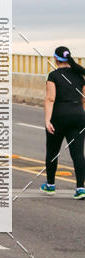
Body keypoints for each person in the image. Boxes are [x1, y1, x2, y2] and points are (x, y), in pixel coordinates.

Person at [41, 45, 85, 199]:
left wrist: (47, 121)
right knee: (78, 154)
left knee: (53, 152)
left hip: (59, 117)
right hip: (78, 117)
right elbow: (83, 99)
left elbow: (50, 98)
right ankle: (80, 188)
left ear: (55, 59)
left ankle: (50, 185)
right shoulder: (80, 75)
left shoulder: (53, 75)